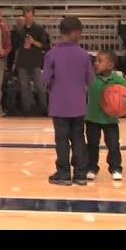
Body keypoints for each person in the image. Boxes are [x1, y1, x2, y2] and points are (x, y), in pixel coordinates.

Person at [42, 16, 94, 186]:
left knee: (62, 140)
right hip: (78, 106)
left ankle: (63, 174)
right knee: (79, 139)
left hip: (58, 106)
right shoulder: (84, 55)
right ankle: (80, 175)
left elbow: (46, 80)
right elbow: (90, 81)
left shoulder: (51, 54)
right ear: (75, 33)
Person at [85, 50, 126, 182]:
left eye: (100, 61)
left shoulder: (116, 79)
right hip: (92, 118)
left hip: (110, 120)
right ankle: (91, 168)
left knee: (113, 145)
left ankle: (116, 168)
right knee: (92, 145)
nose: (96, 63)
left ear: (110, 65)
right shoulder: (90, 76)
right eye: (95, 60)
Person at [15, 6, 50, 116]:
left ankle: (45, 109)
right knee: (25, 88)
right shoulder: (20, 30)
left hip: (35, 63)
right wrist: (23, 45)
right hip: (22, 63)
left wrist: (34, 42)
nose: (28, 17)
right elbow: (16, 47)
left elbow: (45, 46)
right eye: (26, 15)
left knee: (40, 87)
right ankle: (27, 110)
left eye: (30, 15)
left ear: (33, 15)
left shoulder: (39, 29)